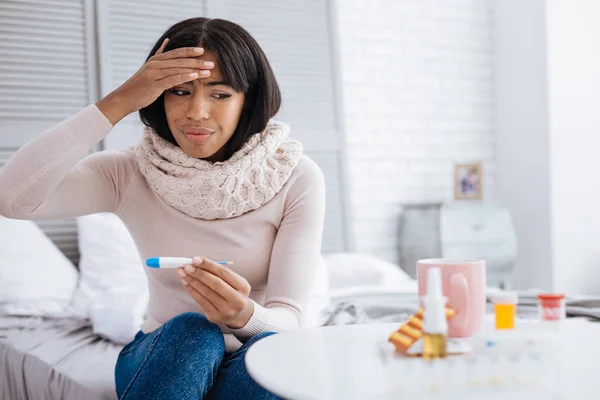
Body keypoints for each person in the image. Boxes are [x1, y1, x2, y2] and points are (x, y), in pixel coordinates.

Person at [0, 17, 326, 400]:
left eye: (219, 95)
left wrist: (243, 316)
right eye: (180, 92)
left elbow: (291, 318)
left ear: (248, 101)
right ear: (157, 97)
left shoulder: (296, 176)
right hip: (161, 357)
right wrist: (118, 102)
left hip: (255, 353)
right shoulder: (128, 171)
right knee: (194, 330)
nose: (197, 112)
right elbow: (13, 199)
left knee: (271, 358)